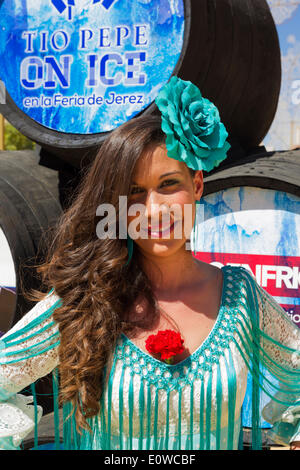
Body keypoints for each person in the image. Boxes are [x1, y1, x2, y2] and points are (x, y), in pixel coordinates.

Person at [0, 77, 299, 451]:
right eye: (135, 191)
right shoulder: (85, 299)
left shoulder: (241, 298)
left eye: (169, 184)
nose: (154, 209)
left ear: (198, 184)